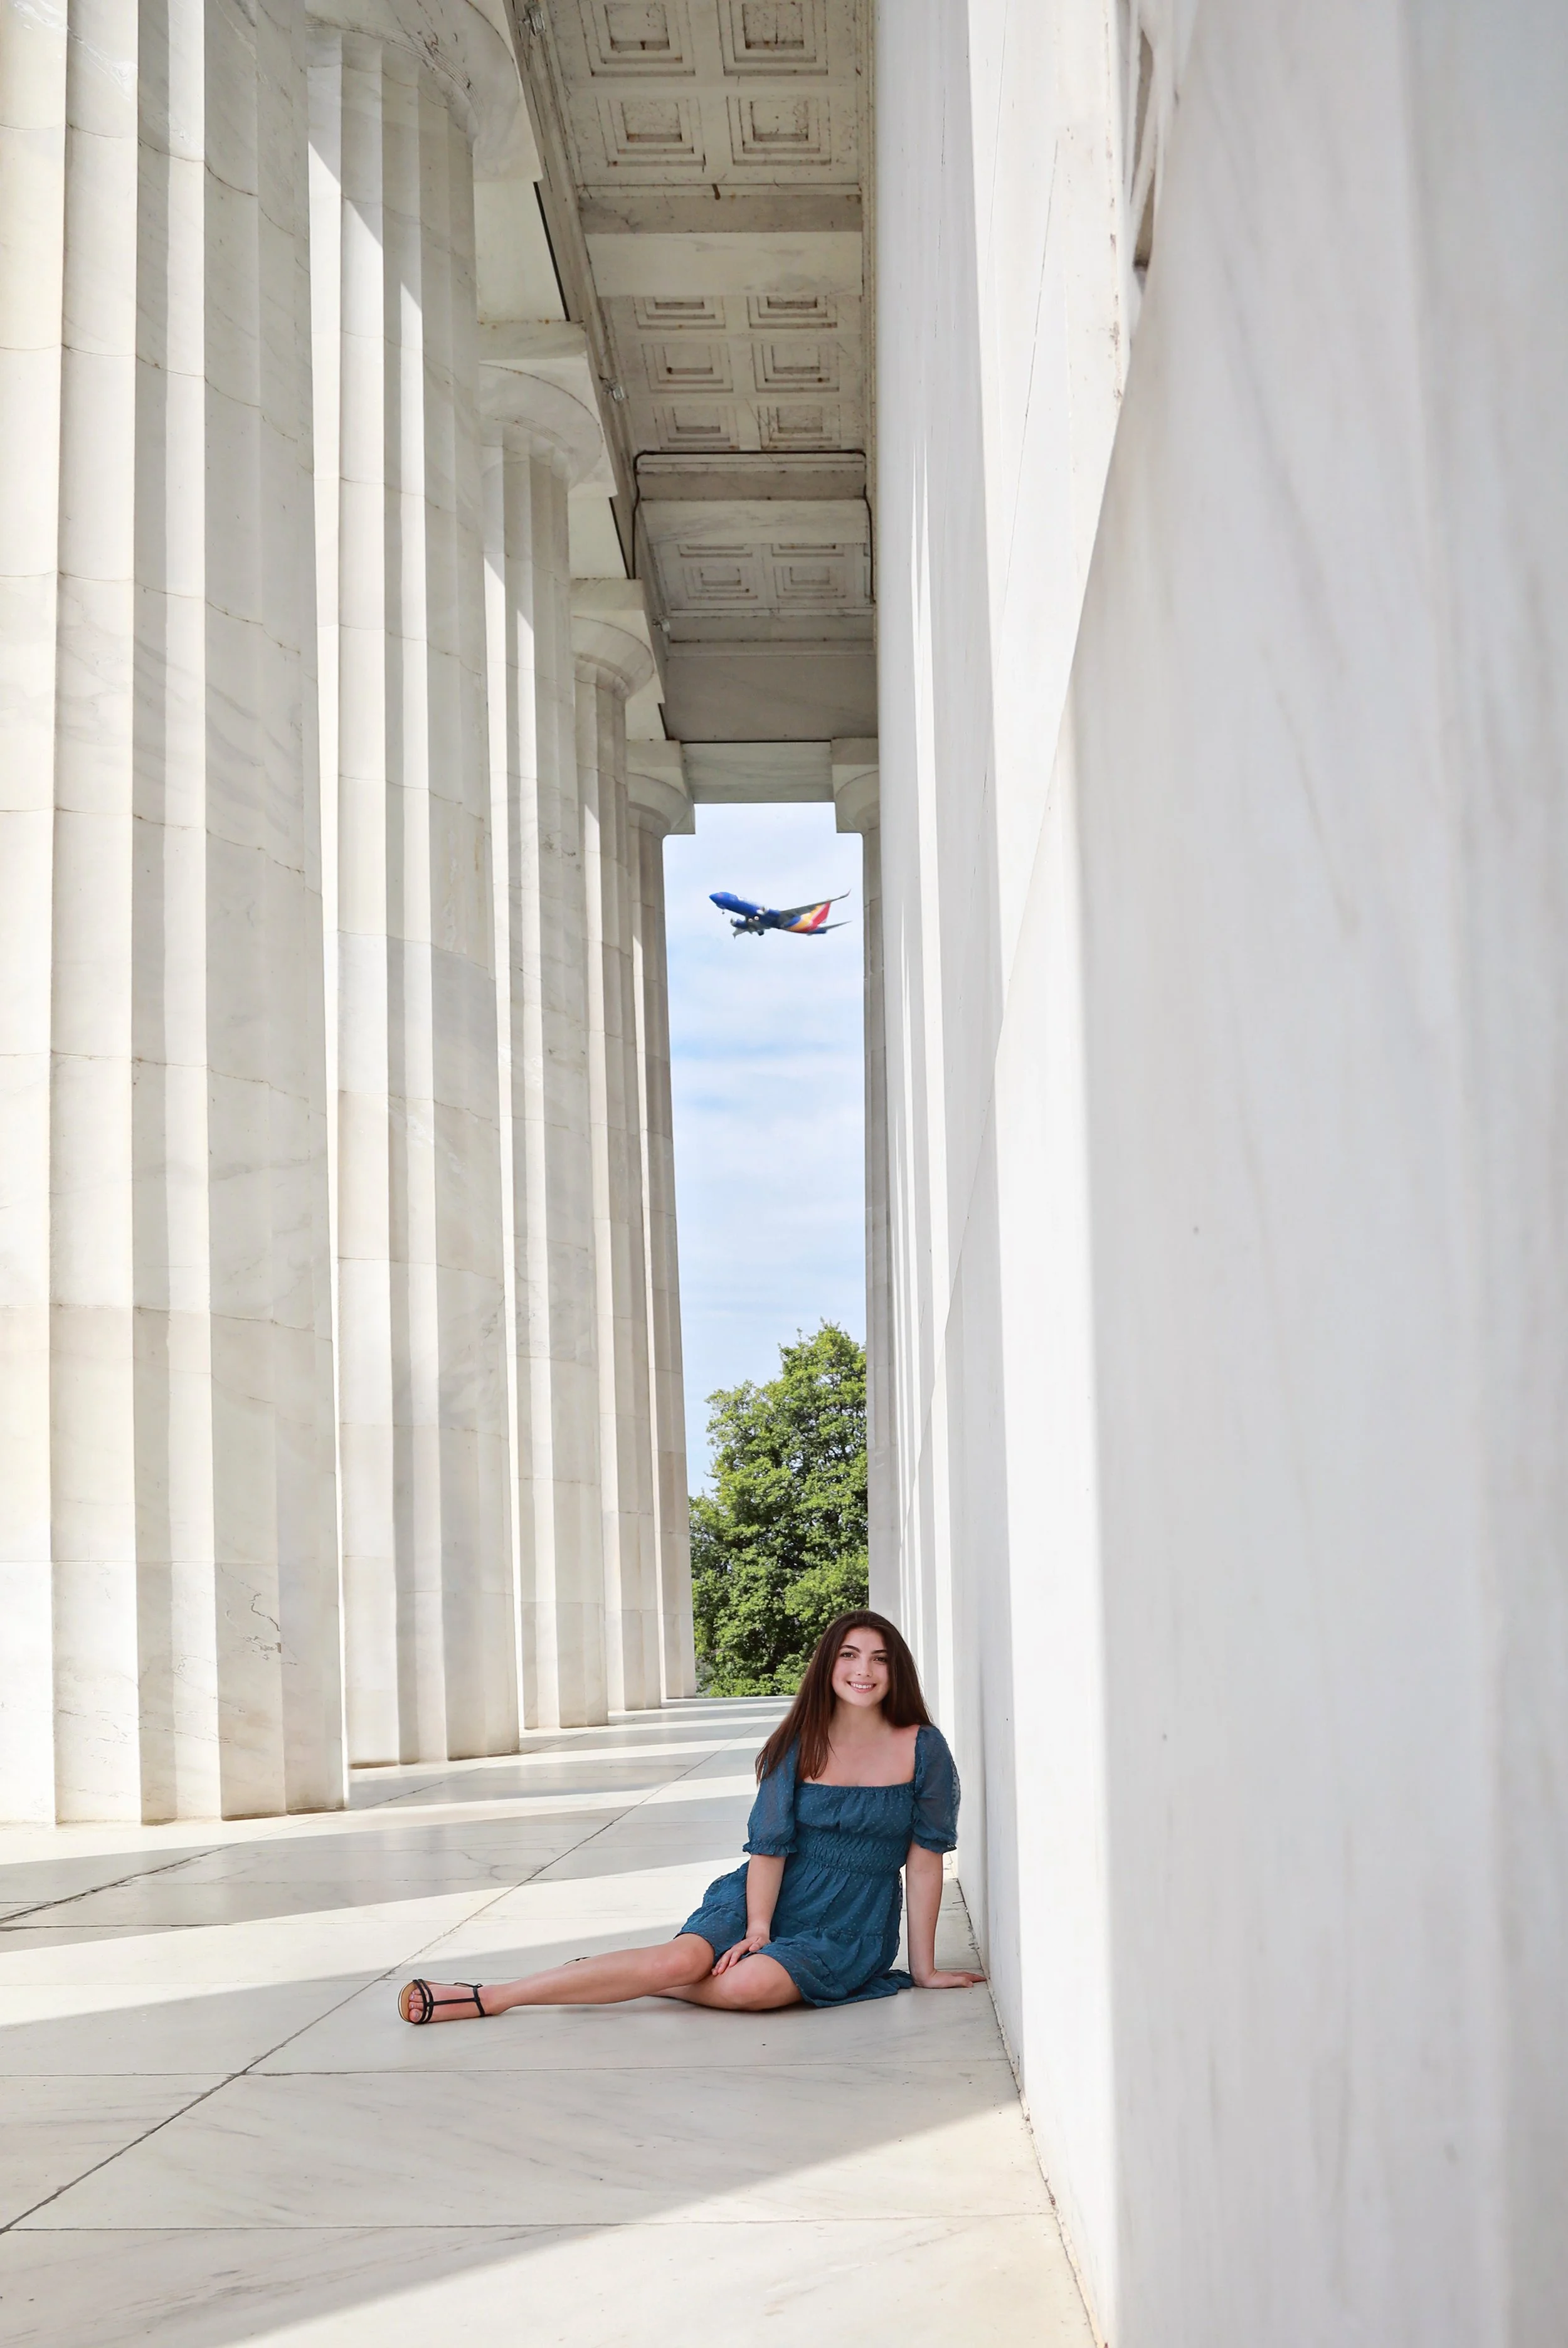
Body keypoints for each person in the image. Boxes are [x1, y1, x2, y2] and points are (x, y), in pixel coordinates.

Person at [397, 1608, 984, 2023]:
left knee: (749, 1987)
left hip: (849, 1922)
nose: (865, 1669)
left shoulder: (921, 1746)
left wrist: (924, 1968)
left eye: (880, 1659)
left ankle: (642, 1981)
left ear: (895, 1670)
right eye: (850, 1655)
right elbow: (770, 1848)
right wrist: (758, 1928)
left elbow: (926, 1860)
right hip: (767, 1894)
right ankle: (494, 1996)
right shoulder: (798, 1743)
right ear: (828, 1667)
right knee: (683, 1957)